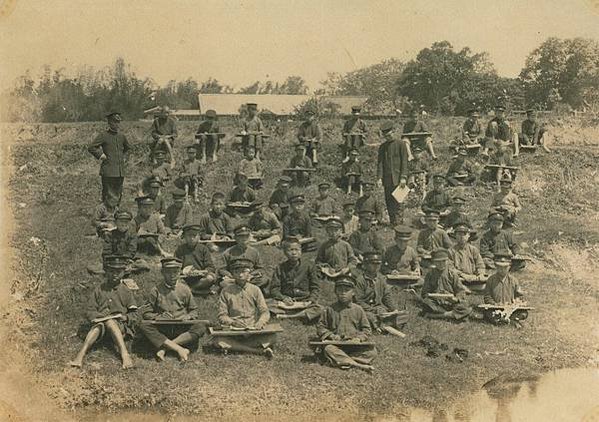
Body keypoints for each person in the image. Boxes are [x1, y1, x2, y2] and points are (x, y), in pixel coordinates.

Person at [69, 256, 137, 369]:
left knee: (110, 321)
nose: (114, 274)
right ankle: (80, 355)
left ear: (123, 273)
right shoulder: (99, 289)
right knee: (99, 326)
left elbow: (134, 314)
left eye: (118, 272)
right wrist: (98, 317)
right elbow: (89, 310)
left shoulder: (126, 291)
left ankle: (124, 353)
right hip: (102, 329)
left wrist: (125, 318)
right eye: (111, 271)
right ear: (106, 272)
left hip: (119, 328)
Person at [138, 257, 205, 362]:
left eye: (175, 272)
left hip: (181, 328)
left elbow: (194, 310)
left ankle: (165, 348)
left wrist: (188, 316)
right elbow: (146, 313)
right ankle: (180, 349)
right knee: (144, 325)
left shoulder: (185, 289)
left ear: (179, 272)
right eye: (168, 272)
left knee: (200, 327)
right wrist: (159, 317)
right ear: (162, 273)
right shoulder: (156, 290)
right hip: (163, 328)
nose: (172, 275)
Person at [215, 259, 275, 357]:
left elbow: (264, 311)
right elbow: (222, 315)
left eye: (243, 271)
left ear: (249, 273)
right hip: (234, 331)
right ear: (233, 274)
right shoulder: (226, 291)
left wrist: (260, 322)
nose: (240, 275)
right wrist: (232, 322)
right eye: (237, 272)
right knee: (218, 340)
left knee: (273, 337)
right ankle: (257, 351)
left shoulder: (255, 289)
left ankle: (235, 347)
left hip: (252, 329)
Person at [315, 276, 377, 372]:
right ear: (335, 292)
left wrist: (359, 338)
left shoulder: (358, 309)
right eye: (340, 290)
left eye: (347, 290)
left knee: (372, 352)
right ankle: (359, 365)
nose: (343, 293)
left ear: (353, 292)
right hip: (336, 344)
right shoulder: (330, 309)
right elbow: (321, 327)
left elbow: (367, 329)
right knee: (328, 349)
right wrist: (331, 336)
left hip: (354, 346)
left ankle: (343, 361)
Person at [268, 237, 322, 322]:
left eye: (297, 250)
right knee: (268, 304)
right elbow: (274, 288)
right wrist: (283, 298)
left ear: (301, 251)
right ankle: (300, 315)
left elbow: (315, 287)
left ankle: (288, 316)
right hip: (286, 302)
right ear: (285, 252)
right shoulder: (280, 268)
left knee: (318, 309)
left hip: (304, 301)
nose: (294, 253)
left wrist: (311, 300)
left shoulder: (309, 266)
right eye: (291, 250)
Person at [354, 252, 405, 332]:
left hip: (379, 310)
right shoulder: (360, 280)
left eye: (378, 264)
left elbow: (387, 296)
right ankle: (381, 327)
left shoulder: (381, 279)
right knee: (369, 317)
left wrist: (394, 309)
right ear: (366, 265)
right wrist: (373, 309)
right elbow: (358, 301)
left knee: (398, 316)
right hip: (365, 310)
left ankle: (384, 325)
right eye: (373, 264)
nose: (376, 266)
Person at [88, 111, 130, 206]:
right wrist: (100, 155)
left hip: (120, 171)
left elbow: (128, 148)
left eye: (118, 122)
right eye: (114, 122)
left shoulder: (121, 136)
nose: (116, 124)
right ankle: (105, 214)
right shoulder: (104, 135)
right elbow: (91, 147)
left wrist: (124, 158)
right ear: (109, 122)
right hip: (108, 170)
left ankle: (116, 213)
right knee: (108, 194)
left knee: (118, 193)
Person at [420, 248, 471, 320]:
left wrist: (455, 299)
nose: (441, 264)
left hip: (451, 302)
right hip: (436, 303)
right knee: (426, 303)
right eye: (438, 262)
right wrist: (432, 295)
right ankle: (451, 314)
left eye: (444, 261)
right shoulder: (430, 274)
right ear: (434, 262)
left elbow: (460, 290)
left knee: (465, 306)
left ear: (447, 261)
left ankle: (437, 315)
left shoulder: (452, 274)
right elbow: (424, 292)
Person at [377, 121, 409, 226]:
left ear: (394, 131)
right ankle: (392, 222)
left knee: (399, 201)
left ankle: (399, 223)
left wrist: (404, 177)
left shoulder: (401, 144)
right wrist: (379, 178)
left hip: (399, 178)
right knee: (389, 200)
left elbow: (404, 161)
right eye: (385, 136)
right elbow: (380, 163)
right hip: (387, 179)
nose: (388, 137)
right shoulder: (382, 147)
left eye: (389, 135)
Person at [482, 253, 527, 324]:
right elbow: (487, 297)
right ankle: (508, 320)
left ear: (509, 267)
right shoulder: (491, 280)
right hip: (496, 308)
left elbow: (519, 295)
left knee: (524, 313)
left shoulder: (514, 280)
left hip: (510, 308)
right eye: (500, 267)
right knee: (488, 313)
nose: (502, 270)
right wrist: (494, 304)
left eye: (505, 267)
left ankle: (504, 319)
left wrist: (517, 302)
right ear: (496, 267)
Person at [174, 224, 217, 296]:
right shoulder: (180, 249)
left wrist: (202, 272)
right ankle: (197, 291)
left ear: (199, 236)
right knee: (175, 280)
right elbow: (176, 265)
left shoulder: (203, 249)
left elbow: (210, 266)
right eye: (189, 236)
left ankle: (191, 289)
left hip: (200, 278)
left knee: (210, 278)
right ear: (184, 237)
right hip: (185, 278)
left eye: (194, 235)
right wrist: (184, 272)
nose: (191, 238)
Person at [221, 225, 266, 293]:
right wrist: (233, 276)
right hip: (234, 278)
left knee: (264, 280)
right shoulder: (227, 253)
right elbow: (222, 269)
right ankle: (247, 289)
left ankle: (241, 289)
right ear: (235, 238)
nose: (244, 239)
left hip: (249, 278)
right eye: (241, 236)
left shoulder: (254, 252)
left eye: (246, 236)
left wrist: (250, 275)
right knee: (224, 283)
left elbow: (260, 268)